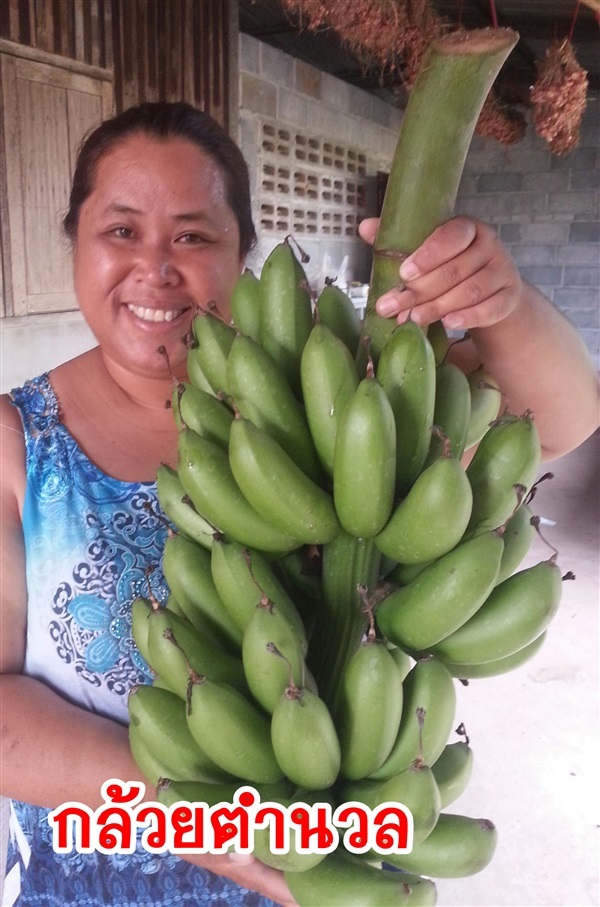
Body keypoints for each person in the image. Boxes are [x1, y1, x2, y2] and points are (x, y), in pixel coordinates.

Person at [0, 101, 598, 907]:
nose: (155, 267)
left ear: (243, 250)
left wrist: (505, 304)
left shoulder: (333, 384)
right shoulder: (18, 439)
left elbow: (560, 418)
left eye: (192, 234)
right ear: (74, 240)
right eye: (120, 231)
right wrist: (210, 824)